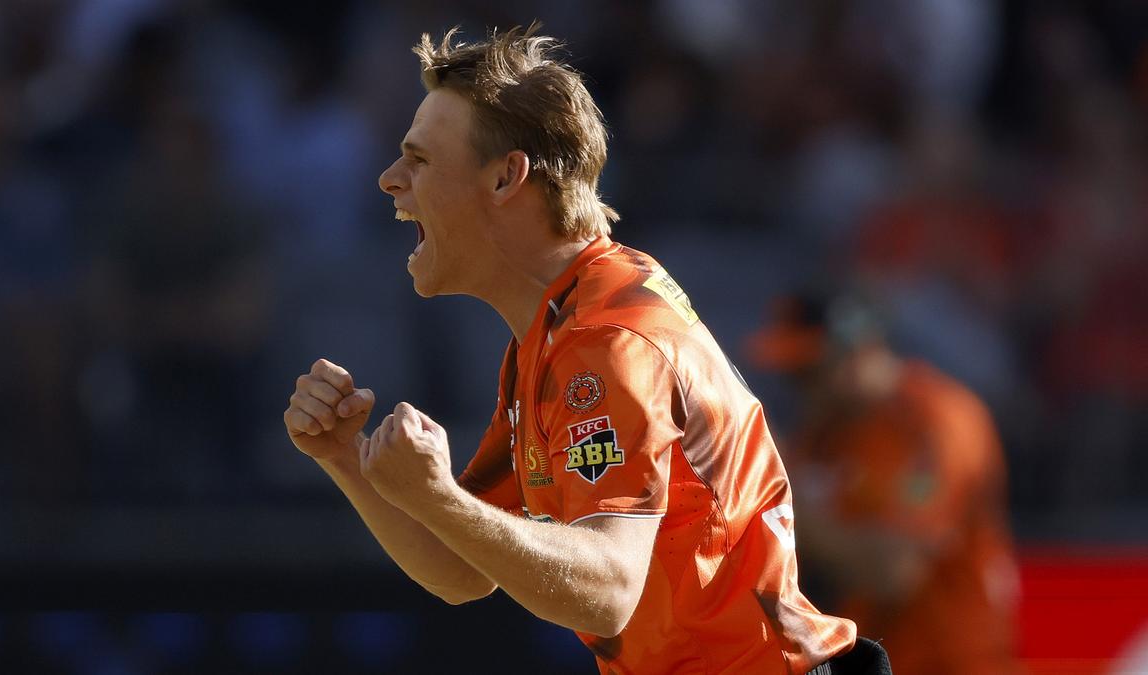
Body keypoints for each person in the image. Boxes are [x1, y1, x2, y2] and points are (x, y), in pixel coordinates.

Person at [283, 25, 887, 674]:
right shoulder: (559, 328)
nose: (388, 179)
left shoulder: (604, 341)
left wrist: (437, 497)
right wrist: (346, 457)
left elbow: (607, 592)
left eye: (420, 160)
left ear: (506, 177)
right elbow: (461, 569)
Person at [746, 290, 1021, 674]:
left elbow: (896, 570)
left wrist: (781, 501)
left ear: (859, 351)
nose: (801, 388)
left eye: (810, 371)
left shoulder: (936, 421)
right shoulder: (822, 433)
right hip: (873, 658)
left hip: (953, 662)